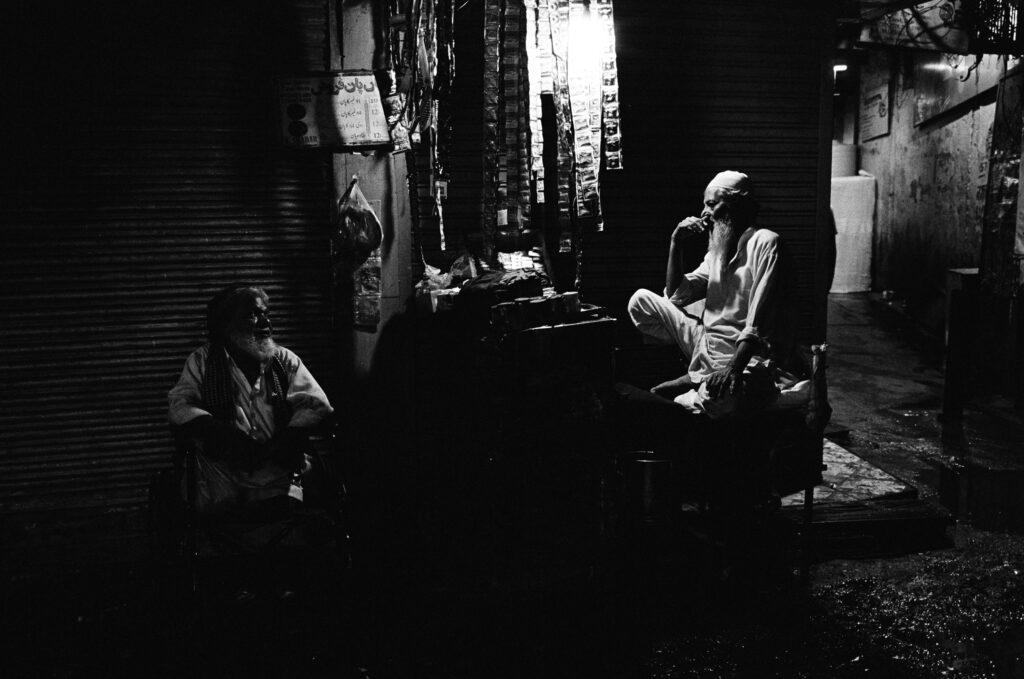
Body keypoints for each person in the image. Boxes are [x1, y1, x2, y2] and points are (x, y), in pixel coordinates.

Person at [626, 171, 805, 420]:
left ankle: (694, 387)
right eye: (704, 204)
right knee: (640, 301)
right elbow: (677, 295)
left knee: (719, 401)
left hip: (746, 356)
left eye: (711, 204)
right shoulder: (716, 254)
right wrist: (675, 242)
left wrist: (733, 367)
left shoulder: (766, 243)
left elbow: (758, 322)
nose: (704, 212)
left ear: (738, 206)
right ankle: (699, 378)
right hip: (705, 343)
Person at [168, 284, 334, 514]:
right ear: (227, 324)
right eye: (253, 315)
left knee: (309, 476)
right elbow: (180, 406)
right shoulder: (202, 361)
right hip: (225, 469)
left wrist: (286, 440)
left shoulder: (283, 360)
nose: (266, 323)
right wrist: (224, 435)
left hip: (278, 466)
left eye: (266, 314)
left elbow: (315, 404)